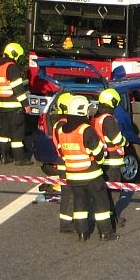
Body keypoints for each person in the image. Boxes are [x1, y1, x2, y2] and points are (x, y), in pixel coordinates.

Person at [52, 95, 118, 242]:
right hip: (91, 174)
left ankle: (82, 233)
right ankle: (105, 233)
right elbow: (98, 152)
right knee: (101, 204)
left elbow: (62, 151)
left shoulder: (62, 130)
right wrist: (100, 161)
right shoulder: (85, 130)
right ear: (81, 111)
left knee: (79, 204)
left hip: (73, 176)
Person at [0, 41, 31, 164]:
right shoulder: (12, 67)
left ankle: (4, 156)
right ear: (14, 54)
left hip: (0, 105)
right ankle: (19, 158)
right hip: (14, 106)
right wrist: (26, 105)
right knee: (17, 132)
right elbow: (18, 88)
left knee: (4, 132)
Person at [49, 94, 76, 234]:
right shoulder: (63, 124)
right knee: (69, 194)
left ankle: (70, 221)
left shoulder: (62, 122)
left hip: (66, 162)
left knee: (71, 193)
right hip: (66, 164)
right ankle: (66, 224)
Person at [91, 88, 127, 182]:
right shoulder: (108, 119)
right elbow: (117, 139)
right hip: (112, 159)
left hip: (101, 157)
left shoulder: (96, 117)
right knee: (114, 187)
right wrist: (125, 142)